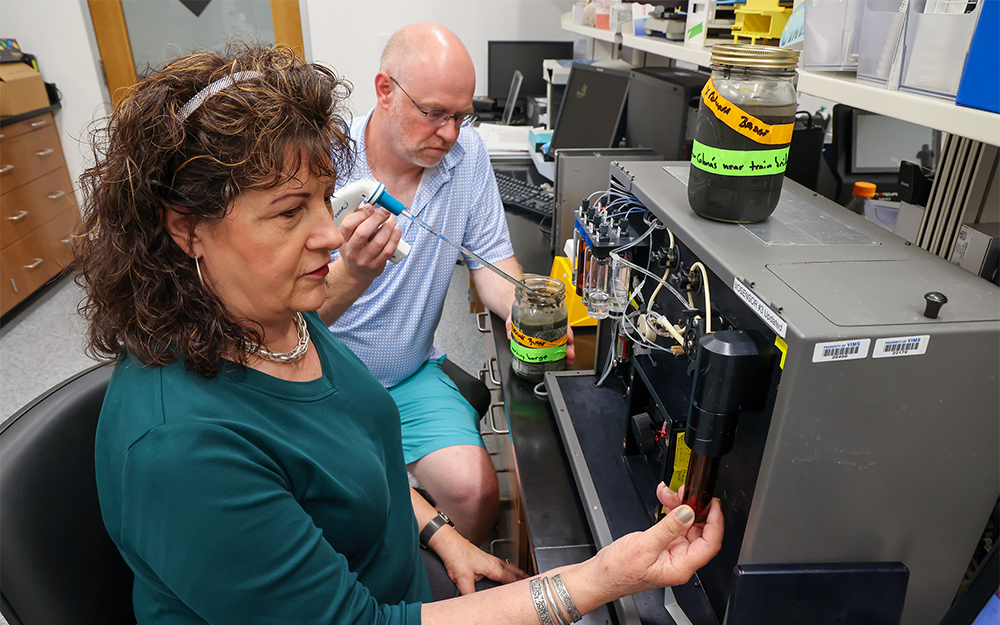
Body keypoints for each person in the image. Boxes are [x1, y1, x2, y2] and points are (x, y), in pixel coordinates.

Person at [76, 43, 723, 624]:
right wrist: (599, 579)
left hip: (397, 579)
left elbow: (360, 457)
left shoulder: (277, 321)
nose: (330, 234)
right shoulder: (182, 453)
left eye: (323, 199)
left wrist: (441, 533)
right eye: (289, 211)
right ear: (187, 228)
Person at [317, 22, 574, 546]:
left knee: (476, 493)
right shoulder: (322, 159)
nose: (450, 134)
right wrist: (353, 272)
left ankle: (446, 580)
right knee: (346, 512)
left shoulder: (467, 156)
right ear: (385, 90)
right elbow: (285, 321)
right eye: (434, 113)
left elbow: (494, 265)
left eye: (461, 116)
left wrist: (527, 309)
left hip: (408, 375)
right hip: (322, 384)